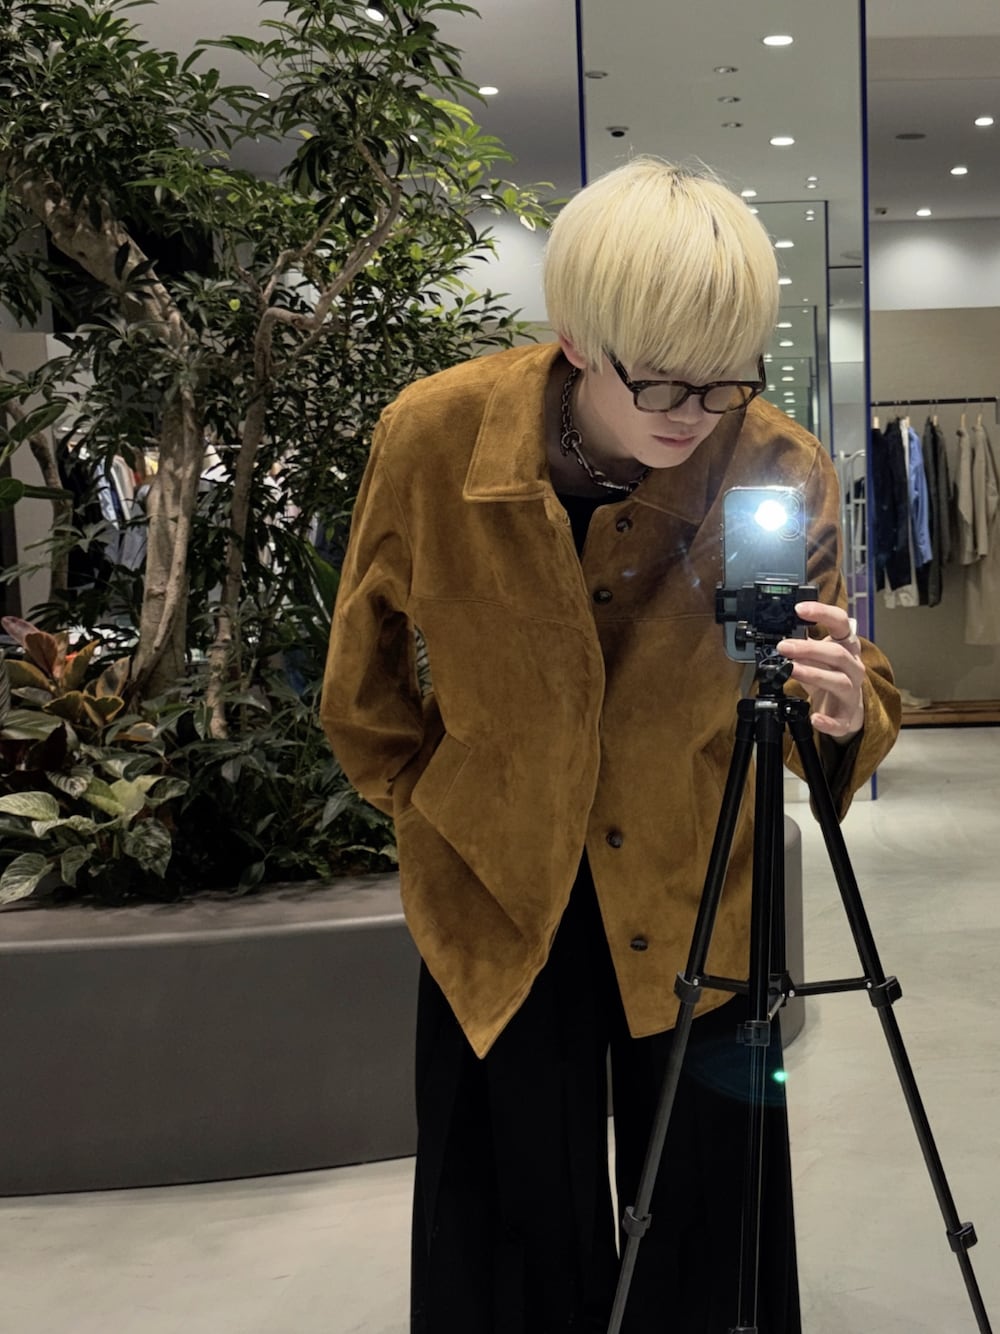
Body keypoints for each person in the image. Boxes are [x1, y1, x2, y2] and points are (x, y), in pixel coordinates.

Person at [320, 157, 901, 1334]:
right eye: (662, 379)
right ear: (577, 336)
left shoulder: (775, 463)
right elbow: (360, 672)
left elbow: (821, 690)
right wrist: (428, 797)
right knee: (505, 1210)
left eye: (726, 378)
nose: (694, 412)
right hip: (495, 880)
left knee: (707, 1212)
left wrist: (845, 709)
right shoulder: (435, 437)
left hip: (695, 880)